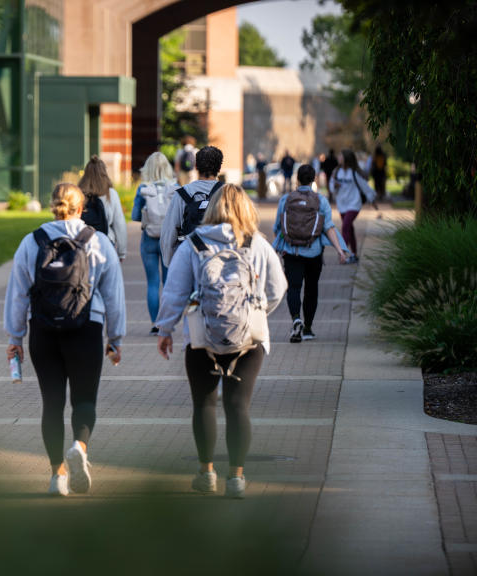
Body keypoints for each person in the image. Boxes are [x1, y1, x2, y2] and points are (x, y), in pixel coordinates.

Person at [155, 184, 286, 499]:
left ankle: (206, 472)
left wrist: (165, 329)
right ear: (246, 209)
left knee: (204, 404)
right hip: (249, 339)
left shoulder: (193, 244)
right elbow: (278, 287)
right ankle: (236, 478)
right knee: (238, 406)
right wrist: (257, 310)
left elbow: (174, 291)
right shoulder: (257, 244)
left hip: (203, 337)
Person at [4, 183, 125, 496]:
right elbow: (114, 294)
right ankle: (80, 447)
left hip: (43, 331)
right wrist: (116, 337)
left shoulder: (32, 242)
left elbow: (17, 293)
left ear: (51, 206)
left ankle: (57, 474)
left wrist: (15, 336)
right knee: (85, 400)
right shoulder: (98, 242)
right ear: (81, 208)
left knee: (52, 403)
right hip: (86, 328)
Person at [272, 164, 348, 343]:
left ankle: (296, 319)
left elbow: (277, 227)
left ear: (297, 179)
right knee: (311, 290)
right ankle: (307, 328)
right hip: (313, 252)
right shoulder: (321, 201)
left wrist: (285, 244)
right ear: (313, 179)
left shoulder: (285, 200)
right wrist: (340, 250)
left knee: (293, 288)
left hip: (292, 252)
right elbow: (328, 227)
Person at [131, 152, 177, 333]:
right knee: (168, 282)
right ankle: (167, 322)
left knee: (152, 282)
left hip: (149, 238)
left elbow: (135, 216)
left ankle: (155, 324)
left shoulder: (143, 188)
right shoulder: (175, 188)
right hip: (168, 239)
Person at [159, 145, 224, 268]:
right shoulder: (229, 193)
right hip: (220, 260)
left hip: (190, 259)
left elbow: (168, 233)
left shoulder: (183, 194)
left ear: (196, 166)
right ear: (219, 168)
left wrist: (171, 263)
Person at [329, 150, 376, 264]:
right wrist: (335, 186)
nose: (339, 158)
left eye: (341, 156)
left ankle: (342, 254)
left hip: (354, 204)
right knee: (349, 228)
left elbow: (365, 187)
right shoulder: (337, 171)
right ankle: (354, 254)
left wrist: (372, 199)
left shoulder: (354, 172)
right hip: (342, 204)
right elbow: (331, 186)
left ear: (347, 158)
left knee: (345, 226)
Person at [78, 155, 127, 261]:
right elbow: (119, 223)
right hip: (106, 241)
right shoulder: (111, 194)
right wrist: (121, 252)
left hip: (83, 242)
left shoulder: (79, 194)